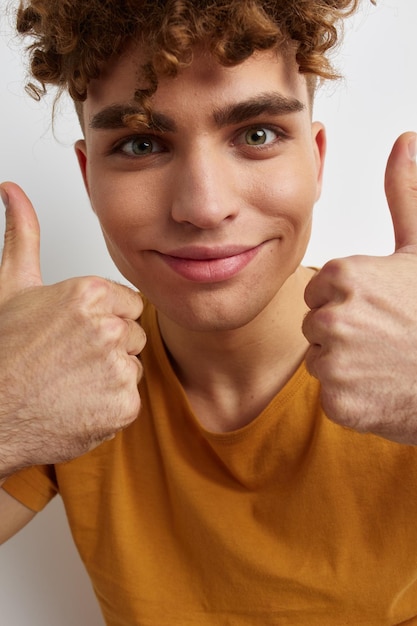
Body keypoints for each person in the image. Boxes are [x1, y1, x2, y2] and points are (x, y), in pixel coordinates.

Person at [1, 0, 417, 623]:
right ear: (89, 178)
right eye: (142, 143)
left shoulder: (406, 353)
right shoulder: (65, 368)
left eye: (257, 135)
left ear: (317, 158)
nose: (204, 205)